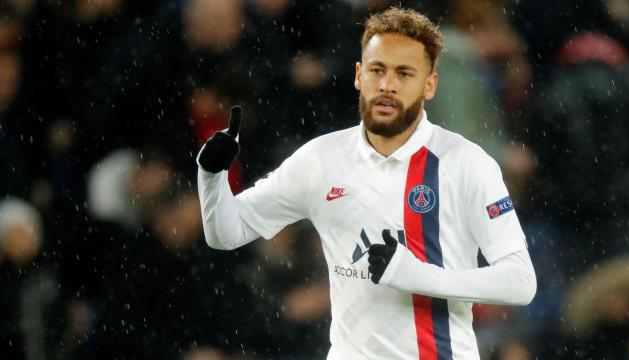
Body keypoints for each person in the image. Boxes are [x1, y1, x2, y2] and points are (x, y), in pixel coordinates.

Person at [197, 7, 536, 360]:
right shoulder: (320, 159)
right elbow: (226, 233)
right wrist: (211, 176)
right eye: (378, 70)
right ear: (359, 75)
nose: (387, 85)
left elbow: (520, 282)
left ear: (430, 84)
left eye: (404, 73)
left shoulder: (466, 163)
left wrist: (417, 275)